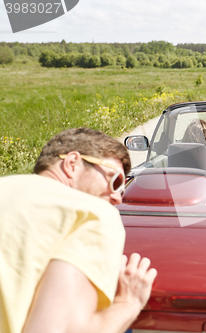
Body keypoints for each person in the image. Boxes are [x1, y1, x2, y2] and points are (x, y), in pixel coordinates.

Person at [0, 127, 157, 333]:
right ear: (72, 163)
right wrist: (129, 303)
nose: (118, 197)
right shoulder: (91, 212)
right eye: (116, 180)